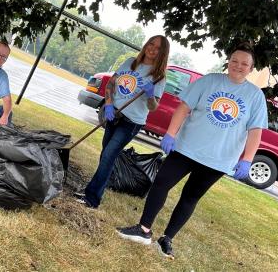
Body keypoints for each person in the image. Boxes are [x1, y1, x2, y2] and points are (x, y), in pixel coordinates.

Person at [116, 42, 268, 260]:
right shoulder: (209, 81)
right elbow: (184, 108)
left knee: (190, 197)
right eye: (234, 61)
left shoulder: (255, 97)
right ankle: (143, 230)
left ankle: (167, 239)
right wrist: (170, 133)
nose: (238, 66)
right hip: (187, 148)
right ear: (228, 62)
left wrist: (247, 159)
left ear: (251, 69)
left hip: (218, 159)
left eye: (244, 63)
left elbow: (255, 131)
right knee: (161, 183)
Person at [76, 35, 170, 209]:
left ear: (162, 53)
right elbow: (111, 83)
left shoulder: (158, 77)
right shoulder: (130, 62)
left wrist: (150, 95)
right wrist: (109, 105)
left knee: (108, 155)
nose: (152, 49)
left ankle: (92, 198)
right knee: (106, 155)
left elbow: (153, 107)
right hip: (114, 114)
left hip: (131, 122)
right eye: (151, 44)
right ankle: (93, 191)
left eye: (158, 48)